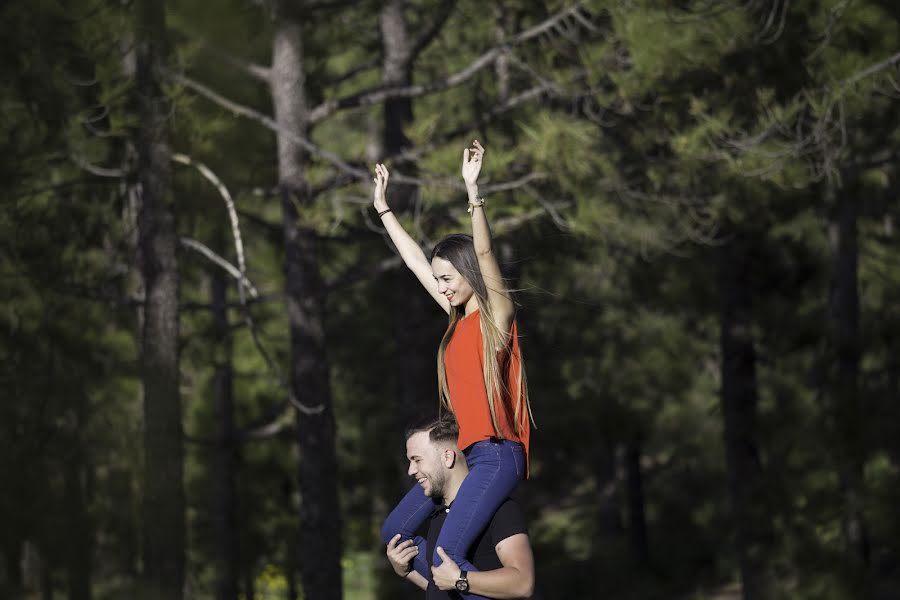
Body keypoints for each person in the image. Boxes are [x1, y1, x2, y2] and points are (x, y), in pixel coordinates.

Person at [374, 140, 535, 600]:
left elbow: (485, 258)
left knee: (447, 556)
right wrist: (384, 210)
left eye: (449, 278)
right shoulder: (454, 321)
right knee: (397, 533)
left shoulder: (494, 320)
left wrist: (473, 192)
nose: (442, 287)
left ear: (468, 277)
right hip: (461, 456)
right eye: (439, 278)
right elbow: (414, 262)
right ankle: (453, 587)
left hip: (496, 453)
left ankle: (463, 587)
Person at [385, 417, 536, 599]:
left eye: (417, 460)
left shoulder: (500, 509)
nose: (411, 470)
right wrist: (407, 572)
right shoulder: (439, 513)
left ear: (447, 457)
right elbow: (442, 586)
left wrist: (461, 579)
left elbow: (522, 583)